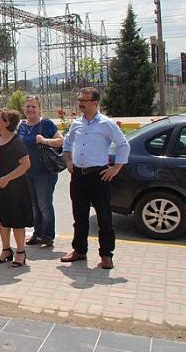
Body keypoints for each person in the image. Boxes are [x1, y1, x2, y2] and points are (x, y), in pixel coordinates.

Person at [61, 88, 130, 270]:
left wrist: (116, 168)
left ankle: (106, 255)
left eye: (84, 100)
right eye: (79, 99)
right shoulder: (76, 124)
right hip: (78, 177)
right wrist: (68, 160)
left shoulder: (106, 124)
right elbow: (67, 144)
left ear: (95, 102)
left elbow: (123, 145)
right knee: (79, 216)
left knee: (104, 218)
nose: (81, 103)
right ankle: (79, 250)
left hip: (99, 176)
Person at [0, 108, 33, 268]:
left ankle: (21, 252)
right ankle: (6, 250)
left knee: (17, 221)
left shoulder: (17, 141)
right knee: (3, 220)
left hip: (16, 187)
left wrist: (7, 178)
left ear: (7, 123)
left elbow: (26, 164)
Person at [18, 96, 64, 248]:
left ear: (39, 108)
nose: (30, 109)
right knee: (34, 205)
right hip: (27, 171)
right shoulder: (22, 126)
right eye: (28, 106)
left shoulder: (46, 124)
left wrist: (44, 140)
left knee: (44, 204)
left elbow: (61, 141)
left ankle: (48, 235)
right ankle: (37, 233)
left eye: (33, 107)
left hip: (45, 171)